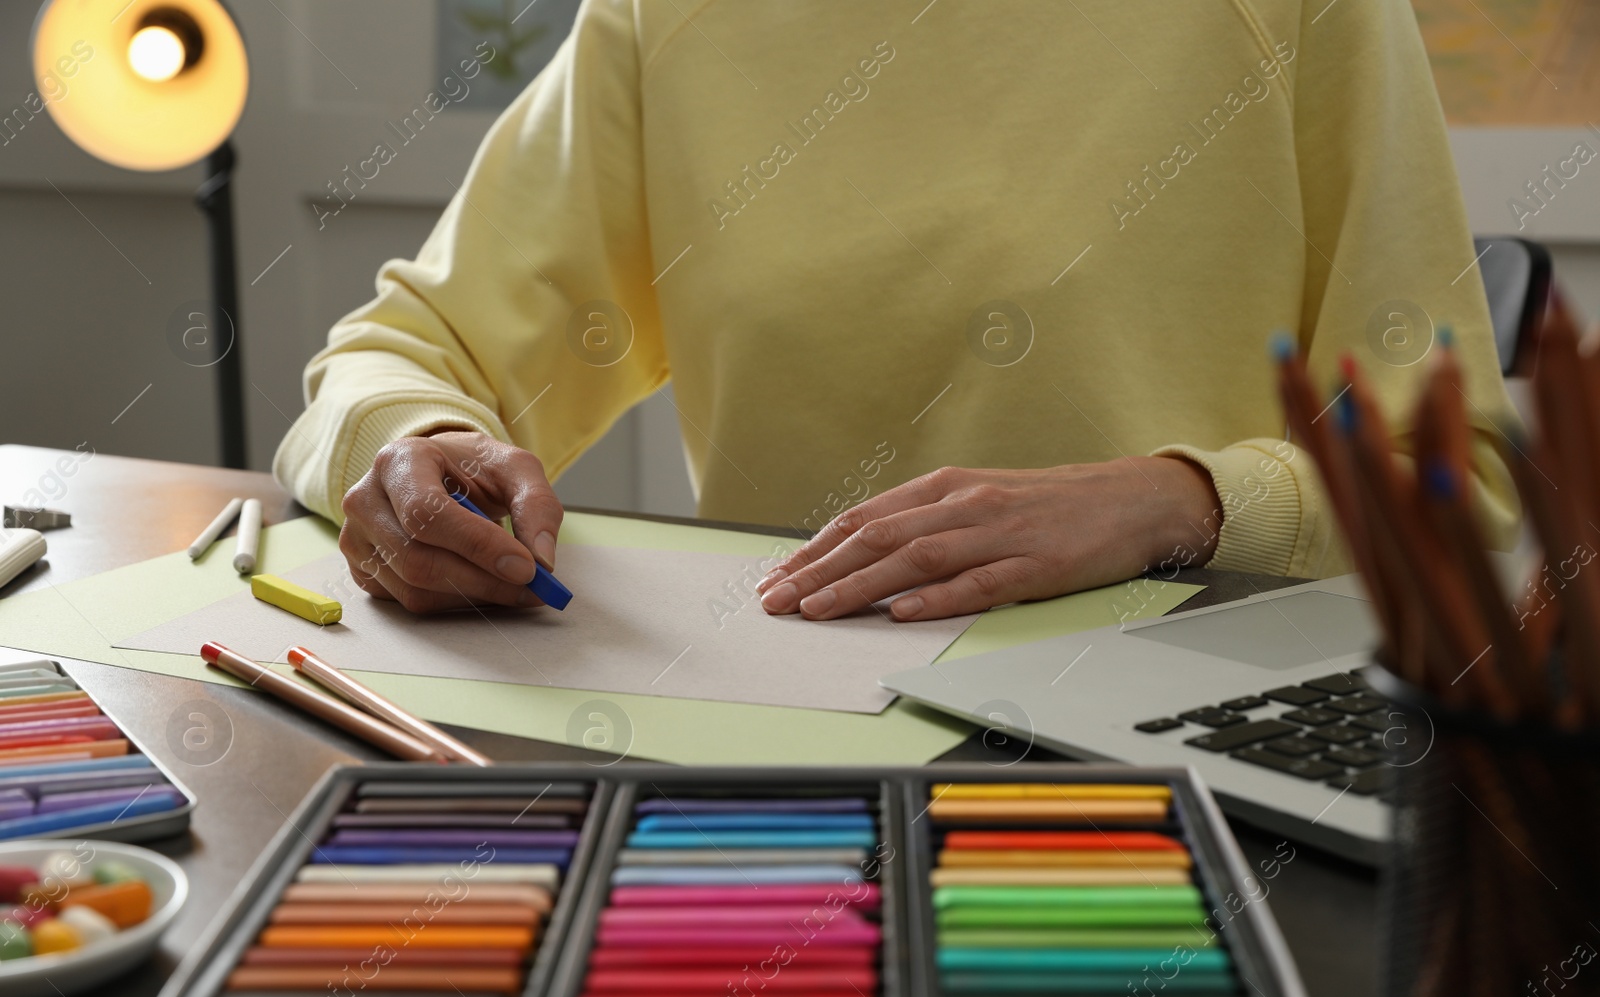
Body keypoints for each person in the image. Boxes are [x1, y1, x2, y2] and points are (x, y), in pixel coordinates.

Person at [274, 0, 1521, 620]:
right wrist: (407, 451)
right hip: (780, 734)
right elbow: (400, 358)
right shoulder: (662, 21)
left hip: (1173, 736)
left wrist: (1181, 502)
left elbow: (1459, 472)